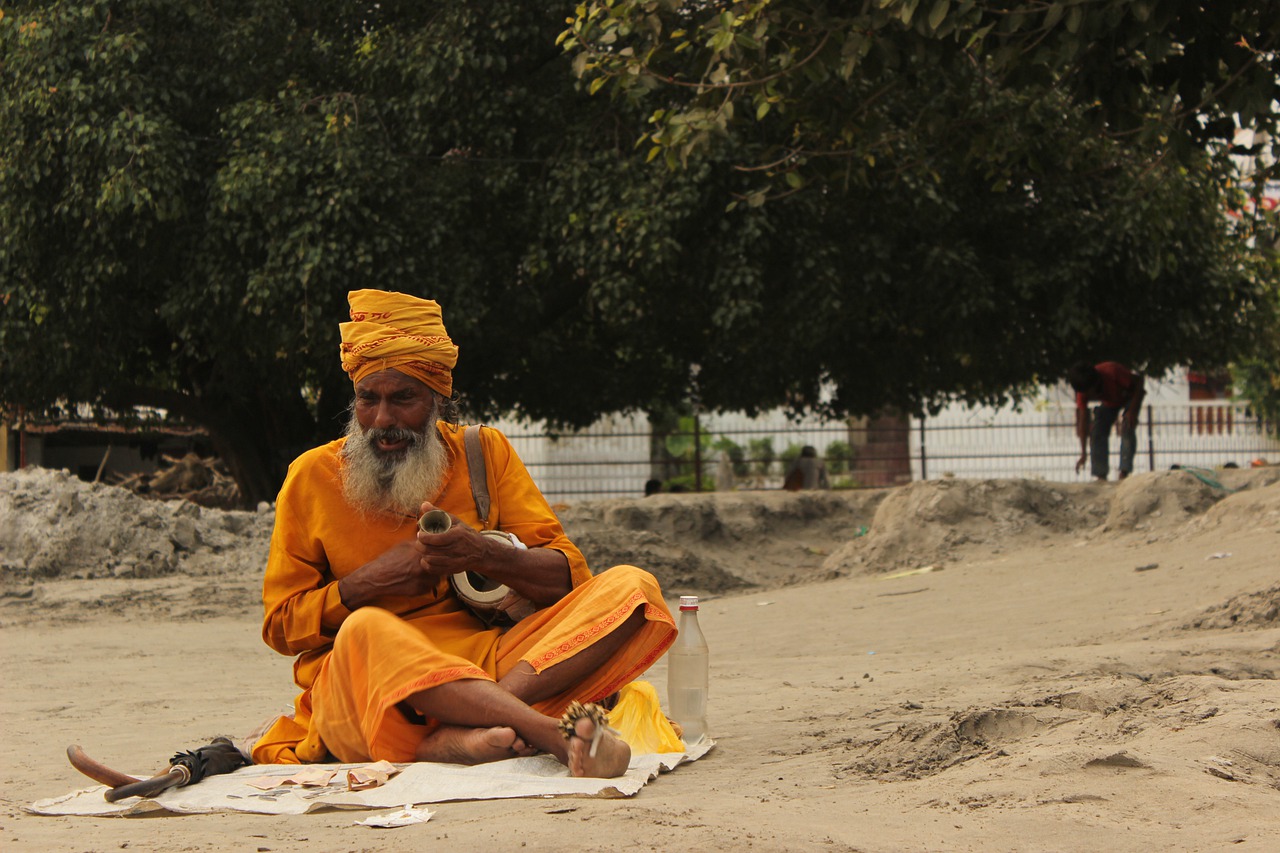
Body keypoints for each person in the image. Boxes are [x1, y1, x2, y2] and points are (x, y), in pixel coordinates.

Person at [251, 290, 677, 778]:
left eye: (404, 399)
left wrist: (481, 553)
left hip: (493, 665)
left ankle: (462, 730)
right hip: (374, 686)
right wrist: (368, 584)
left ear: (437, 400)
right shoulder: (310, 477)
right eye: (369, 400)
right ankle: (546, 734)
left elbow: (569, 580)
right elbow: (280, 626)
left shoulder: (483, 452)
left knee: (633, 588)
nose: (384, 421)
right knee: (365, 628)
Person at [1067, 361, 1146, 482]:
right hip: (1110, 403)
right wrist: (1083, 454)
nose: (1091, 395)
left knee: (1127, 425)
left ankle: (1124, 472)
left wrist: (1132, 411)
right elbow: (1083, 423)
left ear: (1096, 382)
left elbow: (1139, 383)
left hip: (1130, 397)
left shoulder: (1112, 371)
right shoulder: (1082, 392)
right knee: (1097, 430)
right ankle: (1100, 475)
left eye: (1092, 392)